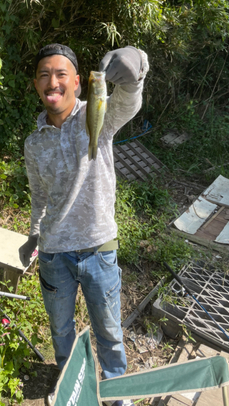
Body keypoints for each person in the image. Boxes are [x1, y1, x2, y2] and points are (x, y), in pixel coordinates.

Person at [20, 43, 148, 406]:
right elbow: (39, 195)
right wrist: (33, 233)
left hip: (98, 249)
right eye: (44, 75)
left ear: (78, 82)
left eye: (61, 74)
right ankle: (69, 382)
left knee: (109, 331)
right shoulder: (34, 143)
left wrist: (135, 68)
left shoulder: (98, 115)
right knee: (61, 331)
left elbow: (129, 101)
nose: (52, 82)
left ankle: (116, 393)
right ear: (36, 85)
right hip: (53, 254)